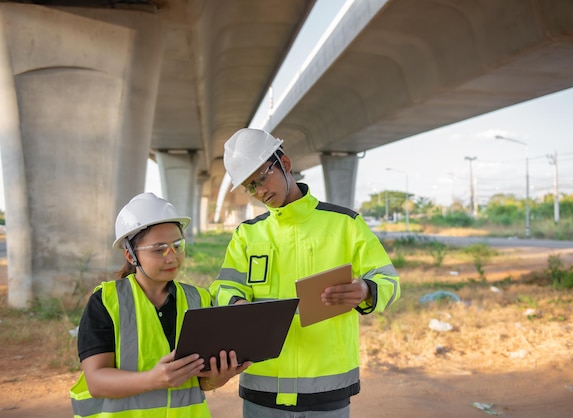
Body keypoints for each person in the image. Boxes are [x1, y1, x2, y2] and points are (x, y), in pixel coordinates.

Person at [210, 128, 401, 417]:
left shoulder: (345, 224)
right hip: (263, 388)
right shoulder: (247, 235)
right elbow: (223, 287)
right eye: (250, 187)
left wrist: (366, 290)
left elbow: (389, 281)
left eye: (261, 179)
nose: (260, 192)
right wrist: (237, 305)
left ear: (284, 164)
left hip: (327, 387)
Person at [70, 192, 250, 417]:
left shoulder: (199, 300)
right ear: (130, 255)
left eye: (177, 245)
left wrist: (217, 378)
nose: (171, 257)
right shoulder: (106, 302)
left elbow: (200, 382)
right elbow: (96, 382)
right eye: (159, 249)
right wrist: (152, 379)